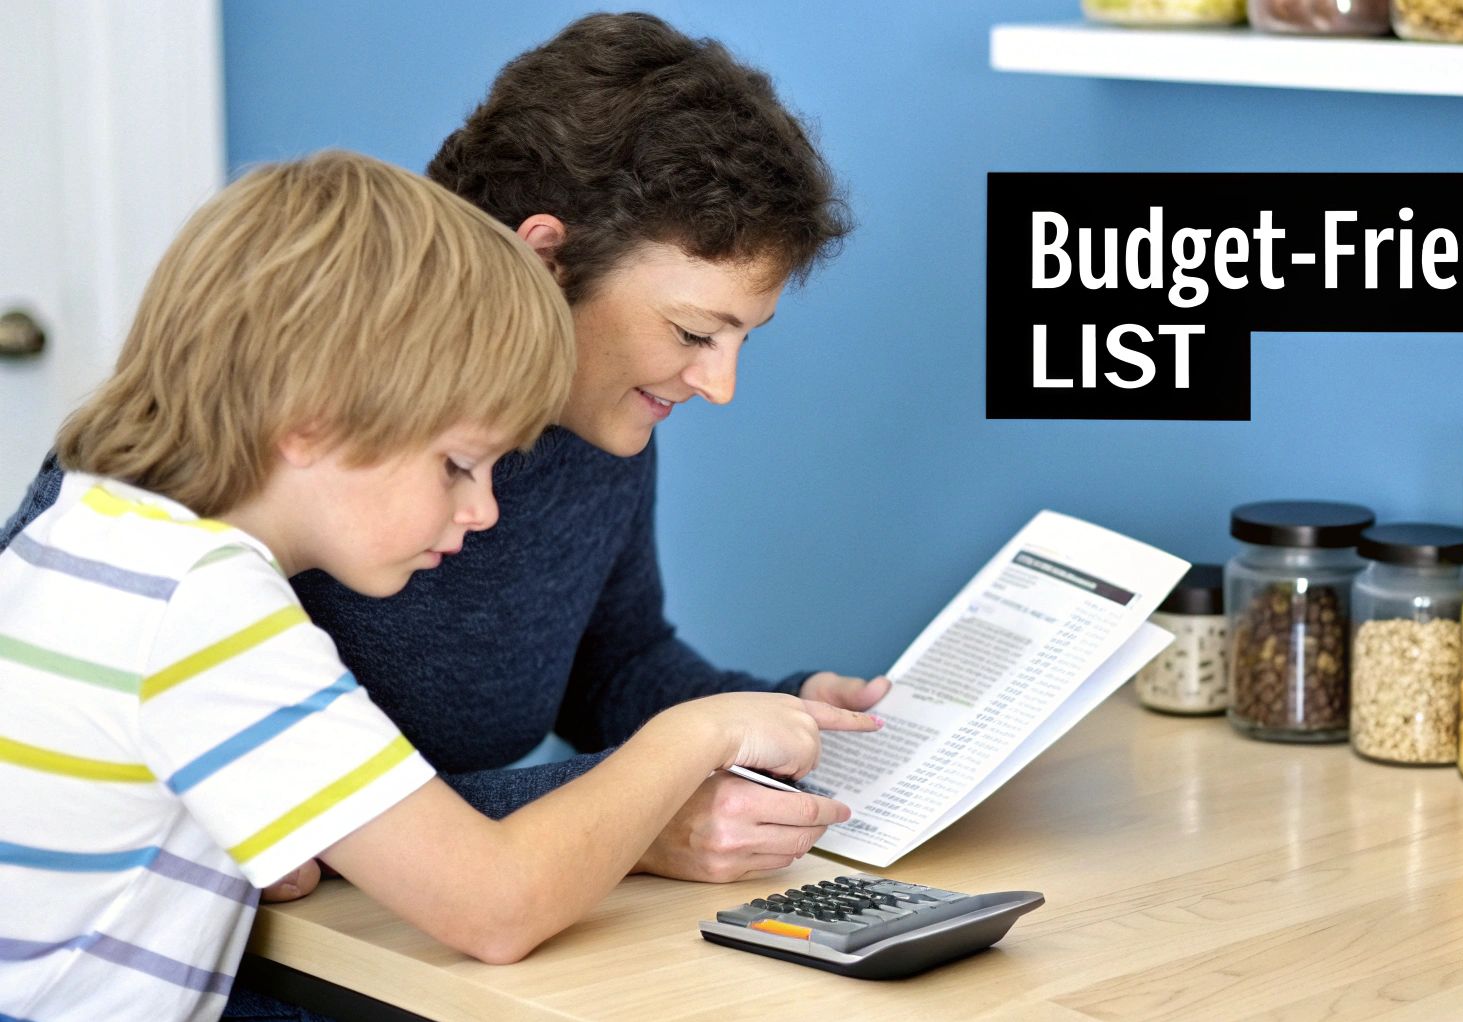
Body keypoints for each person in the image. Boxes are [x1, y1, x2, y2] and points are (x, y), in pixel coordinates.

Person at [0, 11, 885, 898]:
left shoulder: (602, 430)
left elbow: (612, 666)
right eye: (693, 331)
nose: (721, 386)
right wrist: (626, 812)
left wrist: (785, 714)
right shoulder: (265, 465)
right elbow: (302, 846)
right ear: (548, 259)